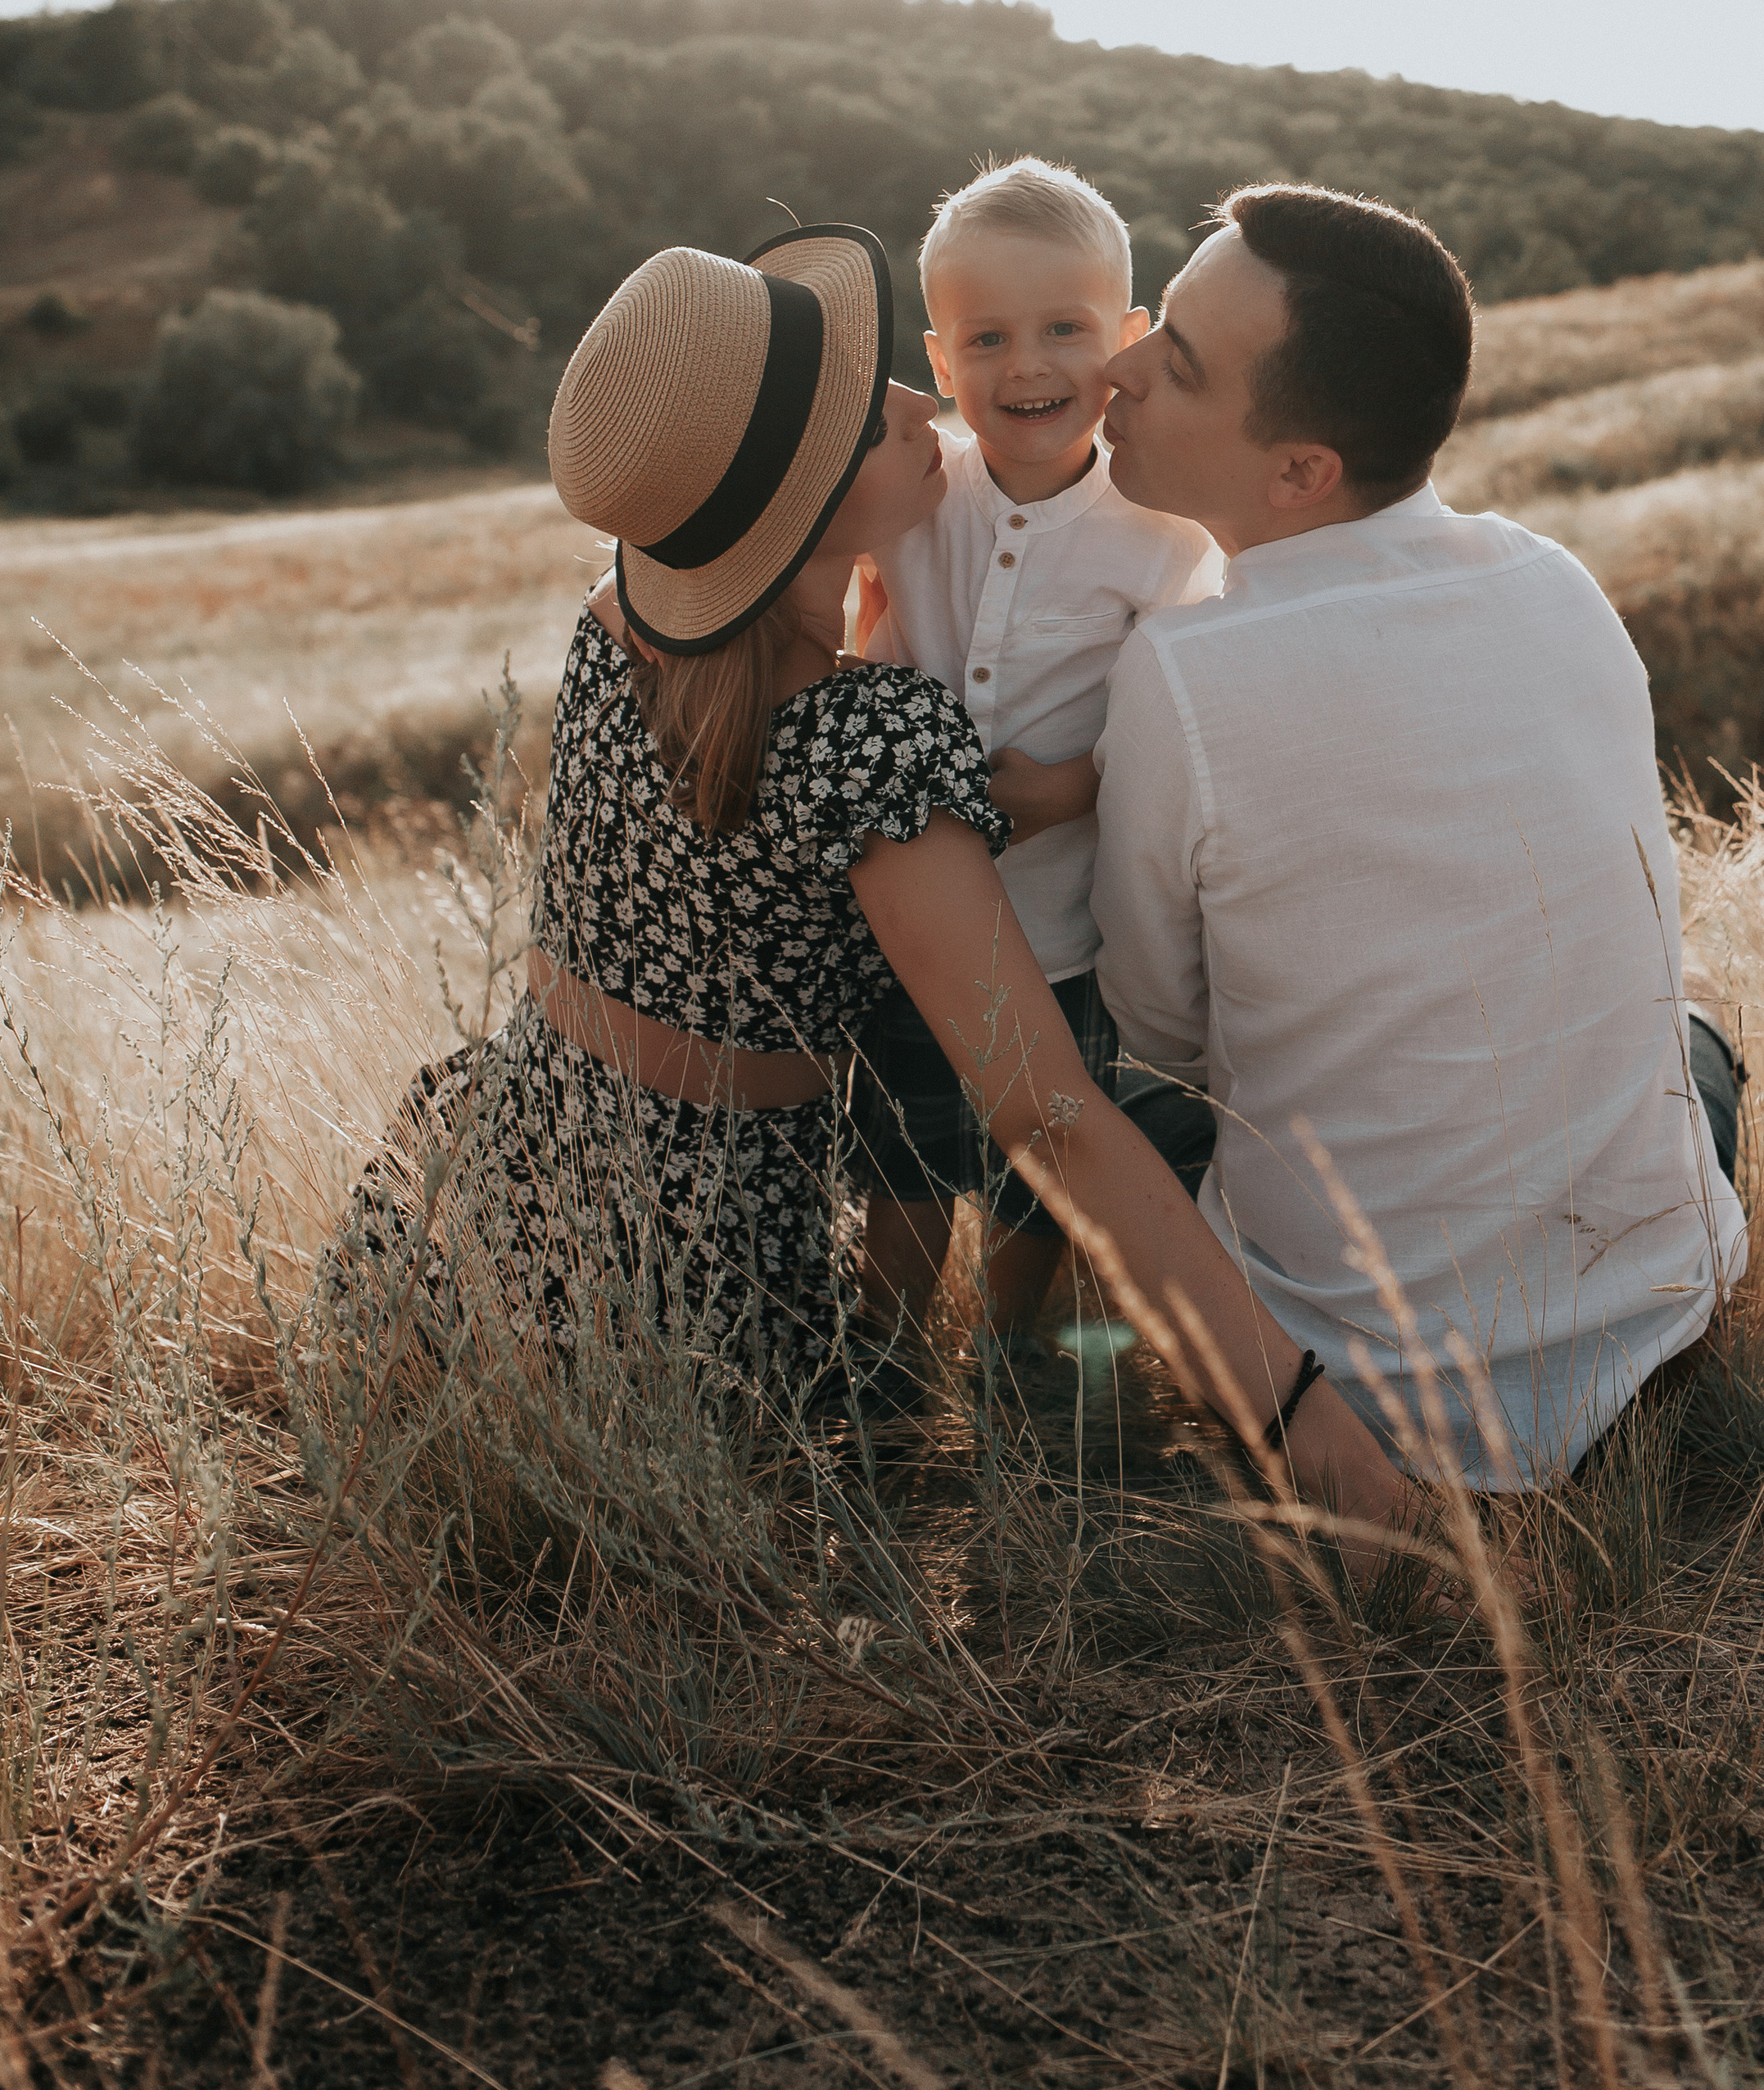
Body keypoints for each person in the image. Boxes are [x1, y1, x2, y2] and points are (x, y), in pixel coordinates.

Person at [337, 222, 1403, 1523]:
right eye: (864, 410)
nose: (920, 401)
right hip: (698, 1294)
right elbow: (1049, 1116)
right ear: (801, 505)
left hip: (482, 1194)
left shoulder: (616, 624)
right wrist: (1313, 1432)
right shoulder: (871, 739)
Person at [1092, 183, 1748, 1488]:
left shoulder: (1181, 671)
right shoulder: (1557, 578)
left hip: (1365, 1389)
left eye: (1173, 364)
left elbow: (1166, 1039)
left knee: (1112, 1118)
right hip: (1656, 1322)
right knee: (1699, 1036)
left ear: (1300, 472)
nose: (1118, 369)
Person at [849, 158, 1221, 1333]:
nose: (1029, 366)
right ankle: (890, 1367)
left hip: (1070, 931)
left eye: (1065, 329)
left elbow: (1189, 714)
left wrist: (1078, 785)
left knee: (1044, 1179)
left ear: (1125, 337)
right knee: (901, 1161)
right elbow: (869, 632)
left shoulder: (1161, 532)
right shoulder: (921, 497)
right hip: (913, 923)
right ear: (942, 358)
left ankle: (1017, 1366)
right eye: (989, 338)